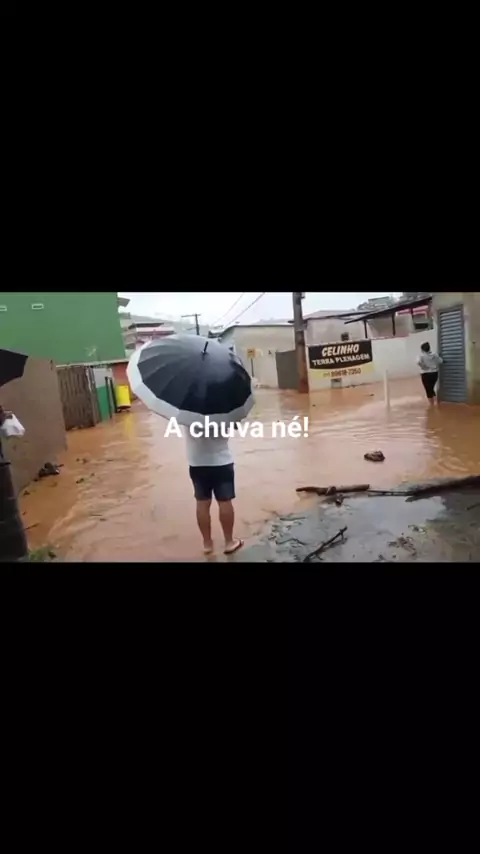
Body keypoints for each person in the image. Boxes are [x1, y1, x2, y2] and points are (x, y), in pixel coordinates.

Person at [185, 422, 244, 556]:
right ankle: (229, 542)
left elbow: (180, 420)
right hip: (222, 462)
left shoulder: (188, 412)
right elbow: (235, 426)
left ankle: (207, 544)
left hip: (197, 463)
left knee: (202, 503)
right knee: (225, 501)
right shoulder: (224, 411)